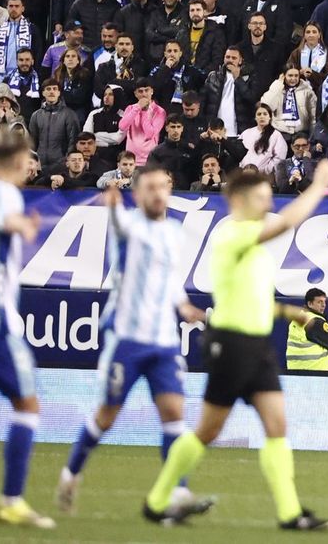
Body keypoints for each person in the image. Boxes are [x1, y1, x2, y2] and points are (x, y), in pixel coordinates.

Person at [142, 163, 328, 530]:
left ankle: (290, 513)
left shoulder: (251, 240)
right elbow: (285, 223)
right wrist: (319, 185)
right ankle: (156, 502)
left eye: (269, 198)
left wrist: (284, 311)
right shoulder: (232, 233)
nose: (268, 204)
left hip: (257, 346)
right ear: (238, 200)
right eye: (262, 197)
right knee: (208, 431)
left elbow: (250, 296)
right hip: (232, 345)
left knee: (276, 425)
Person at [58, 165, 213, 517]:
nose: (158, 193)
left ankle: (177, 492)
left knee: (174, 415)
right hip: (127, 339)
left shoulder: (175, 232)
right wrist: (112, 205)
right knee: (107, 416)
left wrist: (183, 305)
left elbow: (171, 278)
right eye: (151, 188)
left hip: (163, 342)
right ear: (138, 193)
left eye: (163, 187)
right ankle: (71, 474)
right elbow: (116, 223)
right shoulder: (128, 225)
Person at [0, 136, 56, 529]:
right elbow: (7, 219)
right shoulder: (6, 194)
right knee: (27, 406)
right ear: (16, 161)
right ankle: (11, 500)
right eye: (28, 161)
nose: (31, 167)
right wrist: (25, 225)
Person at [284, 287, 328, 373]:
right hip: (320, 372)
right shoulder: (315, 321)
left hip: (295, 371)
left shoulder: (296, 319)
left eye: (324, 302)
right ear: (310, 304)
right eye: (319, 302)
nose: (323, 305)